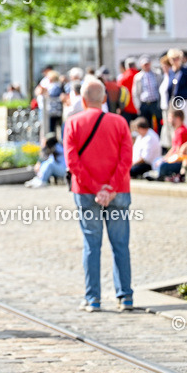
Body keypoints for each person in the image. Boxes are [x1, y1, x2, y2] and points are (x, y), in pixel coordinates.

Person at [64, 79, 134, 312]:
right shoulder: (120, 122)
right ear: (105, 99)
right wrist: (111, 187)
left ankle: (93, 298)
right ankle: (125, 296)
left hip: (86, 192)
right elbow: (126, 159)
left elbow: (72, 162)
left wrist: (96, 188)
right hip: (119, 191)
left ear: (82, 100)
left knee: (91, 246)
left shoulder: (72, 123)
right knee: (120, 245)